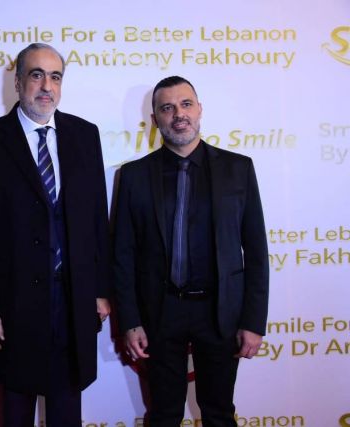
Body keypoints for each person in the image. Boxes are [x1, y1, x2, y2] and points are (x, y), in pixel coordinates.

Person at [0, 43, 111, 427]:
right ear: (17, 82)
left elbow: (98, 218)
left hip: (73, 302)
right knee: (16, 411)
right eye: (36, 75)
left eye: (55, 77)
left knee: (67, 412)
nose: (47, 86)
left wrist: (100, 289)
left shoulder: (85, 135)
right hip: (13, 304)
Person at [113, 76, 269, 426]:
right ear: (155, 119)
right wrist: (131, 321)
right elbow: (123, 255)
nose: (178, 114)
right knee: (163, 415)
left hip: (220, 313)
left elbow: (257, 251)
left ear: (199, 110)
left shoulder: (238, 169)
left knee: (219, 414)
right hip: (159, 312)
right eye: (167, 108)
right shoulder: (134, 176)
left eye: (185, 104)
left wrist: (253, 321)